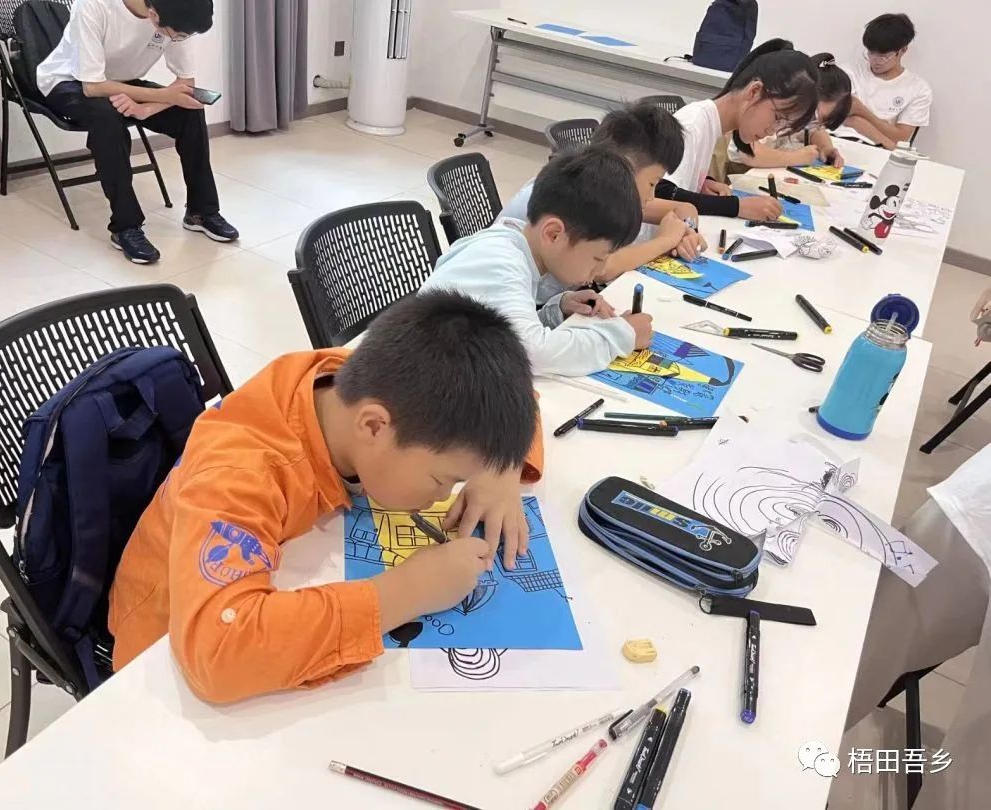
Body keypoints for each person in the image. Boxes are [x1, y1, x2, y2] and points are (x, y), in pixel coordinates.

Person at [108, 291, 544, 702]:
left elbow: (517, 397)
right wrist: (409, 590)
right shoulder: (240, 473)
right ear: (373, 427)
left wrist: (500, 472)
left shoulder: (364, 381)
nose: (443, 497)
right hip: (156, 669)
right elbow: (219, 651)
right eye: (442, 480)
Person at [420, 147, 653, 377]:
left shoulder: (515, 246)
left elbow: (503, 334)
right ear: (553, 234)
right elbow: (531, 354)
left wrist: (556, 311)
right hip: (430, 386)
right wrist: (622, 335)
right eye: (598, 258)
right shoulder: (501, 263)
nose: (600, 269)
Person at [37, 0, 239, 264]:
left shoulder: (178, 10)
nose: (179, 40)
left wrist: (146, 109)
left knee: (190, 111)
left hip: (121, 82)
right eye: (177, 36)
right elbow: (92, 87)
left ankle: (201, 211)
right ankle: (125, 226)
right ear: (153, 15)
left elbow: (185, 84)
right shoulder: (94, 5)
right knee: (107, 118)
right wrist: (161, 96)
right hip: (69, 82)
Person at [502, 102, 707, 297]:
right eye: (652, 183)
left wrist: (687, 232)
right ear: (624, 166)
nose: (651, 196)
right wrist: (666, 240)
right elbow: (603, 269)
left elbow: (684, 207)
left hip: (557, 302)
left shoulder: (601, 187)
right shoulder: (579, 193)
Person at [655, 39, 819, 219]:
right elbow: (659, 192)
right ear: (754, 91)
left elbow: (676, 182)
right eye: (778, 118)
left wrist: (703, 183)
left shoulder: (711, 125)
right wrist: (736, 206)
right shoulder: (693, 123)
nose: (772, 131)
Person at [728, 54, 852, 169]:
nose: (810, 122)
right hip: (741, 169)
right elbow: (750, 154)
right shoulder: (771, 107)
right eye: (813, 116)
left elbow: (814, 131)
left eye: (819, 123)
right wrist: (796, 158)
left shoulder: (801, 112)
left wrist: (826, 148)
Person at [839, 13, 931, 150]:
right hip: (835, 141)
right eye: (871, 53)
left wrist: (861, 114)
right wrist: (881, 131)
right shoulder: (846, 73)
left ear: (903, 50)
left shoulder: (918, 89)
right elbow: (830, 118)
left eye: (883, 56)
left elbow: (900, 138)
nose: (875, 61)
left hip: (876, 150)